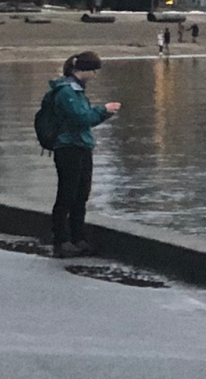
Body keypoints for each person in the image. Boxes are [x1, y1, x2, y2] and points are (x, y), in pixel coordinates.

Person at [41, 51, 120, 259]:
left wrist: (103, 114)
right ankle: (62, 241)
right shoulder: (67, 92)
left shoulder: (76, 91)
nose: (94, 74)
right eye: (93, 70)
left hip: (81, 146)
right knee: (67, 195)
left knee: (81, 195)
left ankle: (77, 238)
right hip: (68, 148)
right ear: (82, 70)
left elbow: (83, 119)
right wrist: (104, 110)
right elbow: (81, 118)